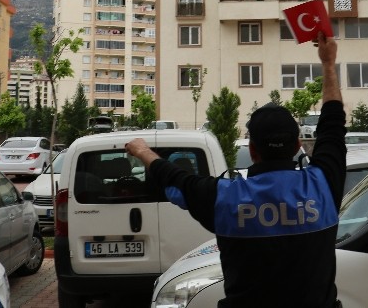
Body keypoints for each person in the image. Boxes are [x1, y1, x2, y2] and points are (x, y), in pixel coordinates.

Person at [126, 33, 345, 307]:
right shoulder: (322, 184)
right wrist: (328, 63)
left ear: (252, 149)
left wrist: (142, 151)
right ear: (298, 145)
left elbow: (176, 181)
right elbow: (333, 124)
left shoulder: (226, 197)